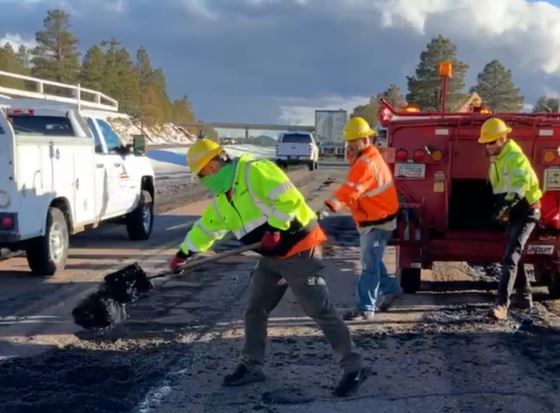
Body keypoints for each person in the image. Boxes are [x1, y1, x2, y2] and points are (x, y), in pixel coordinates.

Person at [169, 138, 370, 397]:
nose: (206, 178)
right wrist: (183, 253)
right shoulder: (223, 197)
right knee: (255, 308)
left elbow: (289, 199)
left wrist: (276, 227)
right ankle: (253, 366)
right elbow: (208, 227)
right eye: (201, 176)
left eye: (207, 171)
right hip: (271, 257)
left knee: (318, 309)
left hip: (299, 249)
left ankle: (354, 366)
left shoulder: (255, 170)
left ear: (219, 161)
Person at [324, 117, 401, 321]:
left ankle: (365, 307)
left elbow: (350, 190)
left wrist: (330, 207)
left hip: (377, 221)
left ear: (366, 139)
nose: (349, 145)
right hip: (377, 219)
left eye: (353, 141)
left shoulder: (366, 163)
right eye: (348, 141)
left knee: (368, 265)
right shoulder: (366, 157)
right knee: (373, 261)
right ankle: (392, 290)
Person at [478, 117, 542, 320]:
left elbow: (518, 188)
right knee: (514, 254)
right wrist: (500, 209)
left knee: (510, 256)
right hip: (514, 212)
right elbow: (501, 190)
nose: (487, 147)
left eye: (490, 142)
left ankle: (501, 306)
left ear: (502, 139)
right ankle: (523, 297)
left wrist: (504, 209)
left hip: (527, 211)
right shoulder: (497, 159)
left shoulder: (515, 157)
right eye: (485, 143)